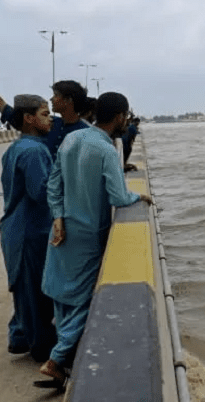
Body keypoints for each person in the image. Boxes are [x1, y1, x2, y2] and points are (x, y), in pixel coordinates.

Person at [39, 92, 153, 382]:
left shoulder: (71, 140)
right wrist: (138, 195)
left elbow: (53, 185)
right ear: (119, 117)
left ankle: (63, 357)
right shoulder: (106, 151)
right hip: (89, 235)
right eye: (125, 116)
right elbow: (118, 196)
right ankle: (56, 359)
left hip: (63, 230)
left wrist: (58, 216)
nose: (126, 120)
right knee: (86, 298)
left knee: (64, 295)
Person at [0, 95, 58, 362]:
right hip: (29, 233)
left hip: (16, 228)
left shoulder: (18, 147)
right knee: (35, 297)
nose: (50, 119)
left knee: (24, 293)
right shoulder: (34, 151)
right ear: (29, 118)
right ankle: (43, 352)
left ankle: (20, 337)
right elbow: (41, 192)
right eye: (45, 114)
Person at [0, 74, 90, 159]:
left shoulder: (85, 134)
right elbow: (11, 114)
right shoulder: (48, 124)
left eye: (56, 95)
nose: (51, 99)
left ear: (68, 100)